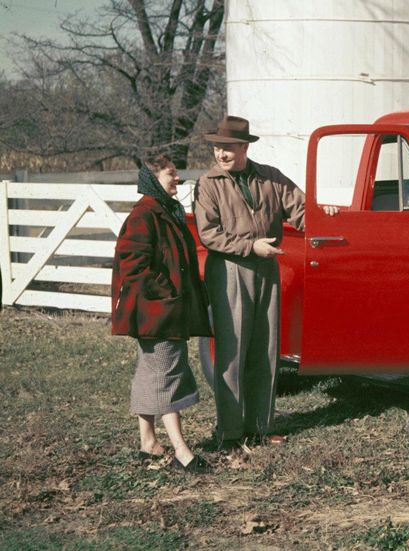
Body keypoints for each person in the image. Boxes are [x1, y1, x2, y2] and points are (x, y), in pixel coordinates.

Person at [193, 115, 306, 449]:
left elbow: (300, 208)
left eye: (228, 148)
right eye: (217, 147)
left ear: (244, 147)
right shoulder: (208, 183)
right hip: (229, 269)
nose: (222, 154)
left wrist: (328, 224)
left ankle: (261, 427)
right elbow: (209, 233)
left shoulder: (269, 177)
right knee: (231, 351)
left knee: (266, 347)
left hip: (266, 270)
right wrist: (249, 246)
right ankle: (229, 432)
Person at [112, 154, 212, 473]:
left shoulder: (166, 210)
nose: (177, 178)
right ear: (154, 177)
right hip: (156, 313)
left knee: (150, 374)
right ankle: (182, 451)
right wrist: (165, 293)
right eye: (171, 173)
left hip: (162, 311)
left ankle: (148, 444)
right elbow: (132, 264)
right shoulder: (144, 214)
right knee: (169, 375)